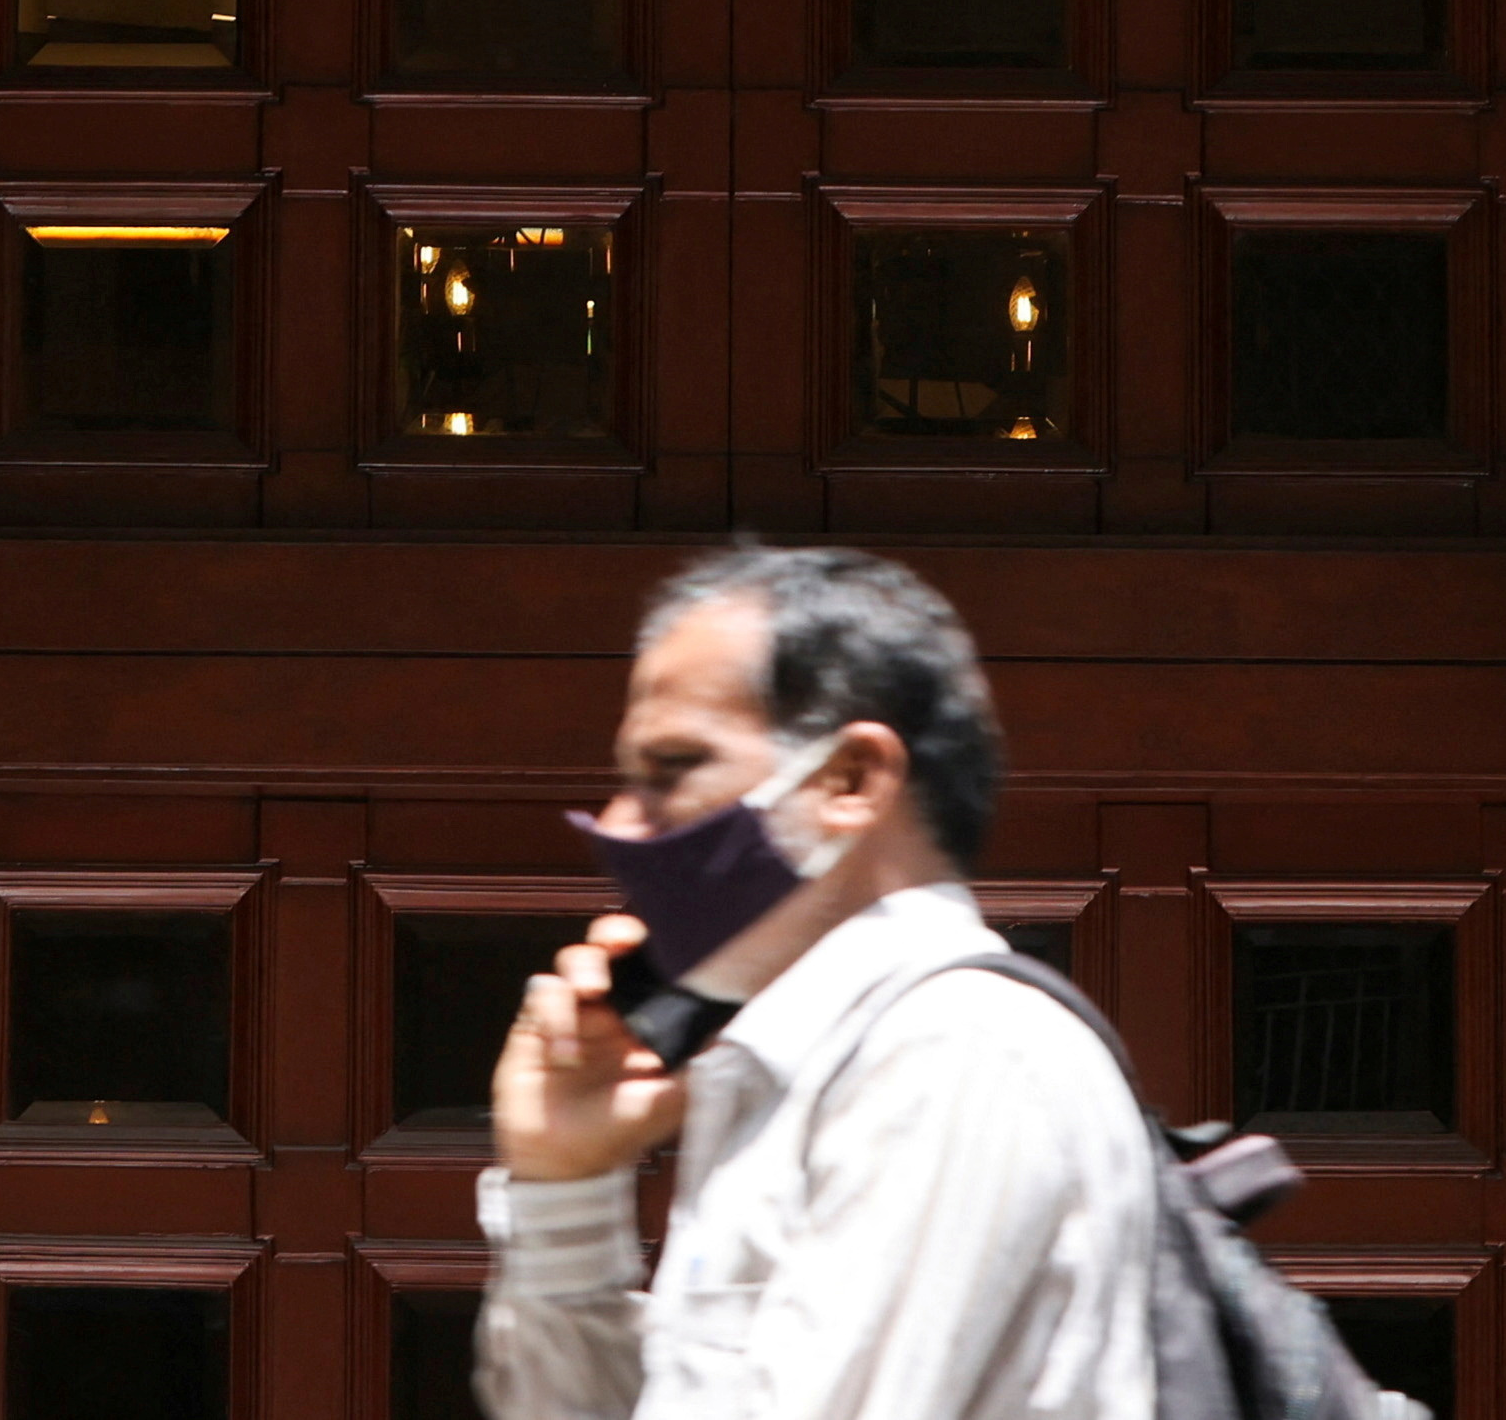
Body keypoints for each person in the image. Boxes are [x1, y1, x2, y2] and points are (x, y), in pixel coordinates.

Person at [480, 544, 1168, 1420]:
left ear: (850, 780)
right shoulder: (778, 1066)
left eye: (673, 768)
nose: (618, 824)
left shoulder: (949, 1055)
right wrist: (564, 1182)